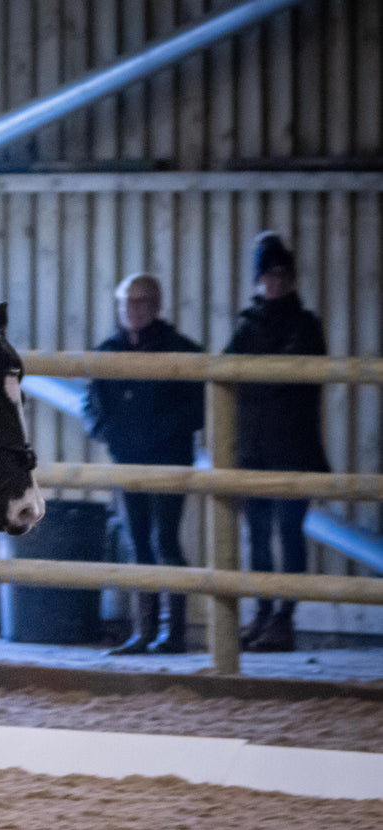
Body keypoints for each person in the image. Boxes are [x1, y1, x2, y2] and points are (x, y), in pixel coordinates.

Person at [84, 273, 204, 655]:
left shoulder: (182, 350)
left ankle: (174, 632)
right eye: (126, 304)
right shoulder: (106, 353)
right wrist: (107, 432)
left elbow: (196, 410)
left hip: (168, 459)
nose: (131, 311)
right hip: (127, 460)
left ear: (154, 306)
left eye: (139, 303)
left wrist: (150, 434)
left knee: (164, 538)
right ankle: (144, 630)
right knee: (137, 541)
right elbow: (92, 405)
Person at [224, 232, 329, 653]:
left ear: (292, 279)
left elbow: (285, 378)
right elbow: (228, 372)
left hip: (294, 450)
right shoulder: (247, 325)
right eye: (269, 275)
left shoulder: (306, 325)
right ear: (258, 281)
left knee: (290, 534)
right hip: (255, 451)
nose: (276, 282)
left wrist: (257, 377)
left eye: (282, 275)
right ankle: (265, 614)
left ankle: (285, 617)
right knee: (260, 538)